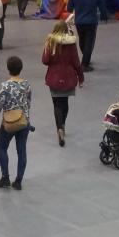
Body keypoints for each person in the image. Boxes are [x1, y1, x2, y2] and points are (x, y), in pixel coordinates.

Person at [0, 56, 33, 190]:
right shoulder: (27, 84)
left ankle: (5, 178)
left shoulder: (5, 86)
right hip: (23, 122)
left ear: (8, 69)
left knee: (2, 148)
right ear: (21, 69)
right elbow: (28, 103)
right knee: (22, 150)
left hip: (8, 124)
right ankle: (18, 181)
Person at [40, 20, 83, 148]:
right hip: (68, 78)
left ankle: (59, 128)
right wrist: (81, 77)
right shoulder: (71, 43)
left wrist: (46, 48)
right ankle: (63, 125)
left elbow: (45, 60)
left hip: (54, 78)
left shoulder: (51, 42)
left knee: (57, 104)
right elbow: (76, 62)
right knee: (65, 103)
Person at [67, 0, 106, 70]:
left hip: (79, 21)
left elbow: (69, 8)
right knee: (89, 42)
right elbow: (102, 6)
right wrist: (103, 16)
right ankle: (85, 64)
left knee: (82, 40)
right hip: (91, 21)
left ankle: (85, 57)